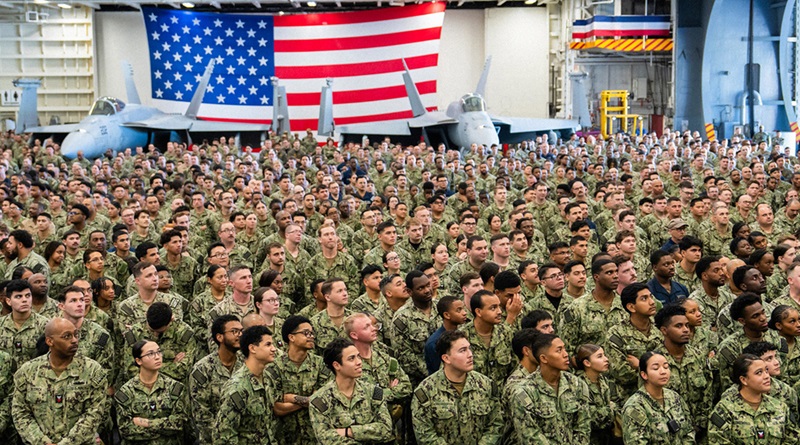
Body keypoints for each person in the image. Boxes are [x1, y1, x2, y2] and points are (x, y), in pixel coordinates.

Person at [11, 317, 109, 445]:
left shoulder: (92, 370)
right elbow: (20, 412)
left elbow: (94, 413)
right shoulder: (28, 371)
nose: (74, 340)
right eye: (67, 336)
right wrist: (42, 442)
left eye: (75, 335)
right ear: (50, 341)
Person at [412, 330, 503, 445]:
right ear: (446, 358)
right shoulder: (426, 391)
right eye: (462, 350)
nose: (470, 354)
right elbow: (424, 434)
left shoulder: (485, 385)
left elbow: (496, 425)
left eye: (469, 348)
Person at [309, 337, 395, 444]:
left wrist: (349, 431)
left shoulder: (373, 392)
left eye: (358, 356)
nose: (359, 362)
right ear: (337, 365)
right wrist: (368, 432)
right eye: (351, 358)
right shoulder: (320, 400)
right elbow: (325, 438)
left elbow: (385, 429)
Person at [509, 333, 591, 444]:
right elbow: (530, 436)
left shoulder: (577, 384)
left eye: (565, 349)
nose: (566, 354)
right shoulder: (524, 392)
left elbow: (583, 427)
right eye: (559, 350)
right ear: (544, 358)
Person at [708, 353, 800, 443]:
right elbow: (718, 440)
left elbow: (793, 439)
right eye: (759, 373)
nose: (767, 376)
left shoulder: (780, 407)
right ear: (744, 380)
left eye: (766, 371)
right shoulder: (725, 410)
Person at [267, 315, 330, 445]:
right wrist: (308, 400)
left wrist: (290, 397)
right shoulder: (274, 367)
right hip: (285, 437)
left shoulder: (320, 364)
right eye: (306, 333)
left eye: (312, 333)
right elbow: (277, 408)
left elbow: (323, 400)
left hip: (314, 435)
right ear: (291, 337)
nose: (311, 336)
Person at [655, 304, 714, 441]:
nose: (685, 330)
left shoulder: (698, 356)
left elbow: (708, 391)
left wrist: (701, 423)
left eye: (687, 325)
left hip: (700, 429)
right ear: (664, 330)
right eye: (679, 326)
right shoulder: (654, 361)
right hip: (669, 433)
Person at [214, 325, 279, 444]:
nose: (274, 349)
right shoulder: (238, 387)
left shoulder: (268, 378)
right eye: (268, 344)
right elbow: (224, 434)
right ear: (252, 348)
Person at [115, 339, 188, 444]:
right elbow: (126, 430)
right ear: (138, 361)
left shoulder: (175, 388)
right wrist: (164, 426)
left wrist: (146, 423)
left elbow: (179, 423)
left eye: (159, 352)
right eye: (151, 354)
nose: (157, 357)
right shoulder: (126, 392)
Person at [189, 314, 244, 445]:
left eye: (241, 331)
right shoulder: (202, 369)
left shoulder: (246, 363)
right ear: (220, 337)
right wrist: (225, 438)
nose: (240, 335)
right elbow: (202, 415)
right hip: (214, 439)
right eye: (234, 331)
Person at [621, 351, 695, 444]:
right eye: (656, 368)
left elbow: (688, 431)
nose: (663, 372)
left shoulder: (674, 397)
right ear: (644, 374)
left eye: (666, 367)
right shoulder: (635, 407)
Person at [607, 282, 663, 401]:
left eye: (651, 297)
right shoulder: (617, 334)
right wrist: (654, 371)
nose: (652, 302)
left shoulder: (661, 328)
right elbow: (621, 373)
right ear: (631, 307)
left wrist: (639, 365)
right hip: (628, 398)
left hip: (660, 395)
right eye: (644, 299)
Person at [574, 343, 618, 445]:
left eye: (604, 355)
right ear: (587, 363)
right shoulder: (578, 385)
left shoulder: (604, 380)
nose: (606, 359)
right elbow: (590, 418)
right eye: (600, 356)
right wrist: (611, 409)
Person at [424, 295, 467, 375]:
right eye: (459, 310)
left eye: (463, 309)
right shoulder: (435, 343)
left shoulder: (463, 334)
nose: (464, 313)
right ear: (447, 315)